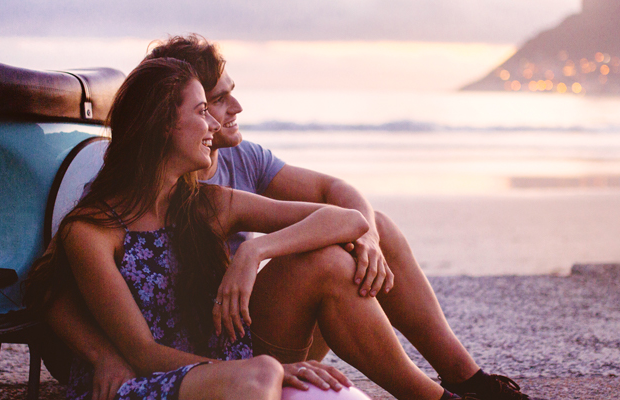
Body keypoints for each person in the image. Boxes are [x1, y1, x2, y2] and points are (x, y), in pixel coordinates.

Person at [30, 57, 465, 400]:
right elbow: (142, 353)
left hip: (225, 358)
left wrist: (255, 252)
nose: (214, 125)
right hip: (148, 378)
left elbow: (349, 220)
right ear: (163, 124)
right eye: (202, 111)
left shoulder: (206, 204)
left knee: (330, 263)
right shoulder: (93, 231)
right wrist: (266, 370)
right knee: (260, 376)